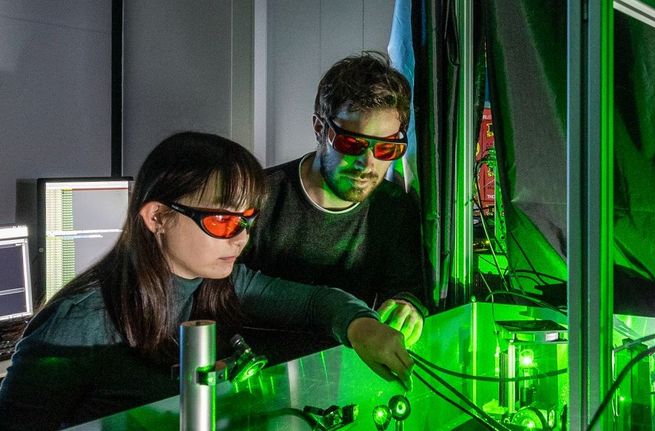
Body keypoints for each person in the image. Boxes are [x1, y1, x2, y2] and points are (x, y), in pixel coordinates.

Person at [0, 132, 412, 430]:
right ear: (157, 218)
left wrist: (362, 327)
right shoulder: (78, 323)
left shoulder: (220, 282)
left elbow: (316, 303)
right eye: (221, 220)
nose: (240, 238)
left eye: (247, 220)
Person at [240, 51, 426, 351]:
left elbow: (405, 287)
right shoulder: (259, 195)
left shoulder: (392, 210)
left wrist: (407, 306)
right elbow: (223, 288)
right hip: (257, 368)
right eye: (352, 143)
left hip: (345, 370)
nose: (367, 164)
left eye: (387, 149)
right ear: (319, 128)